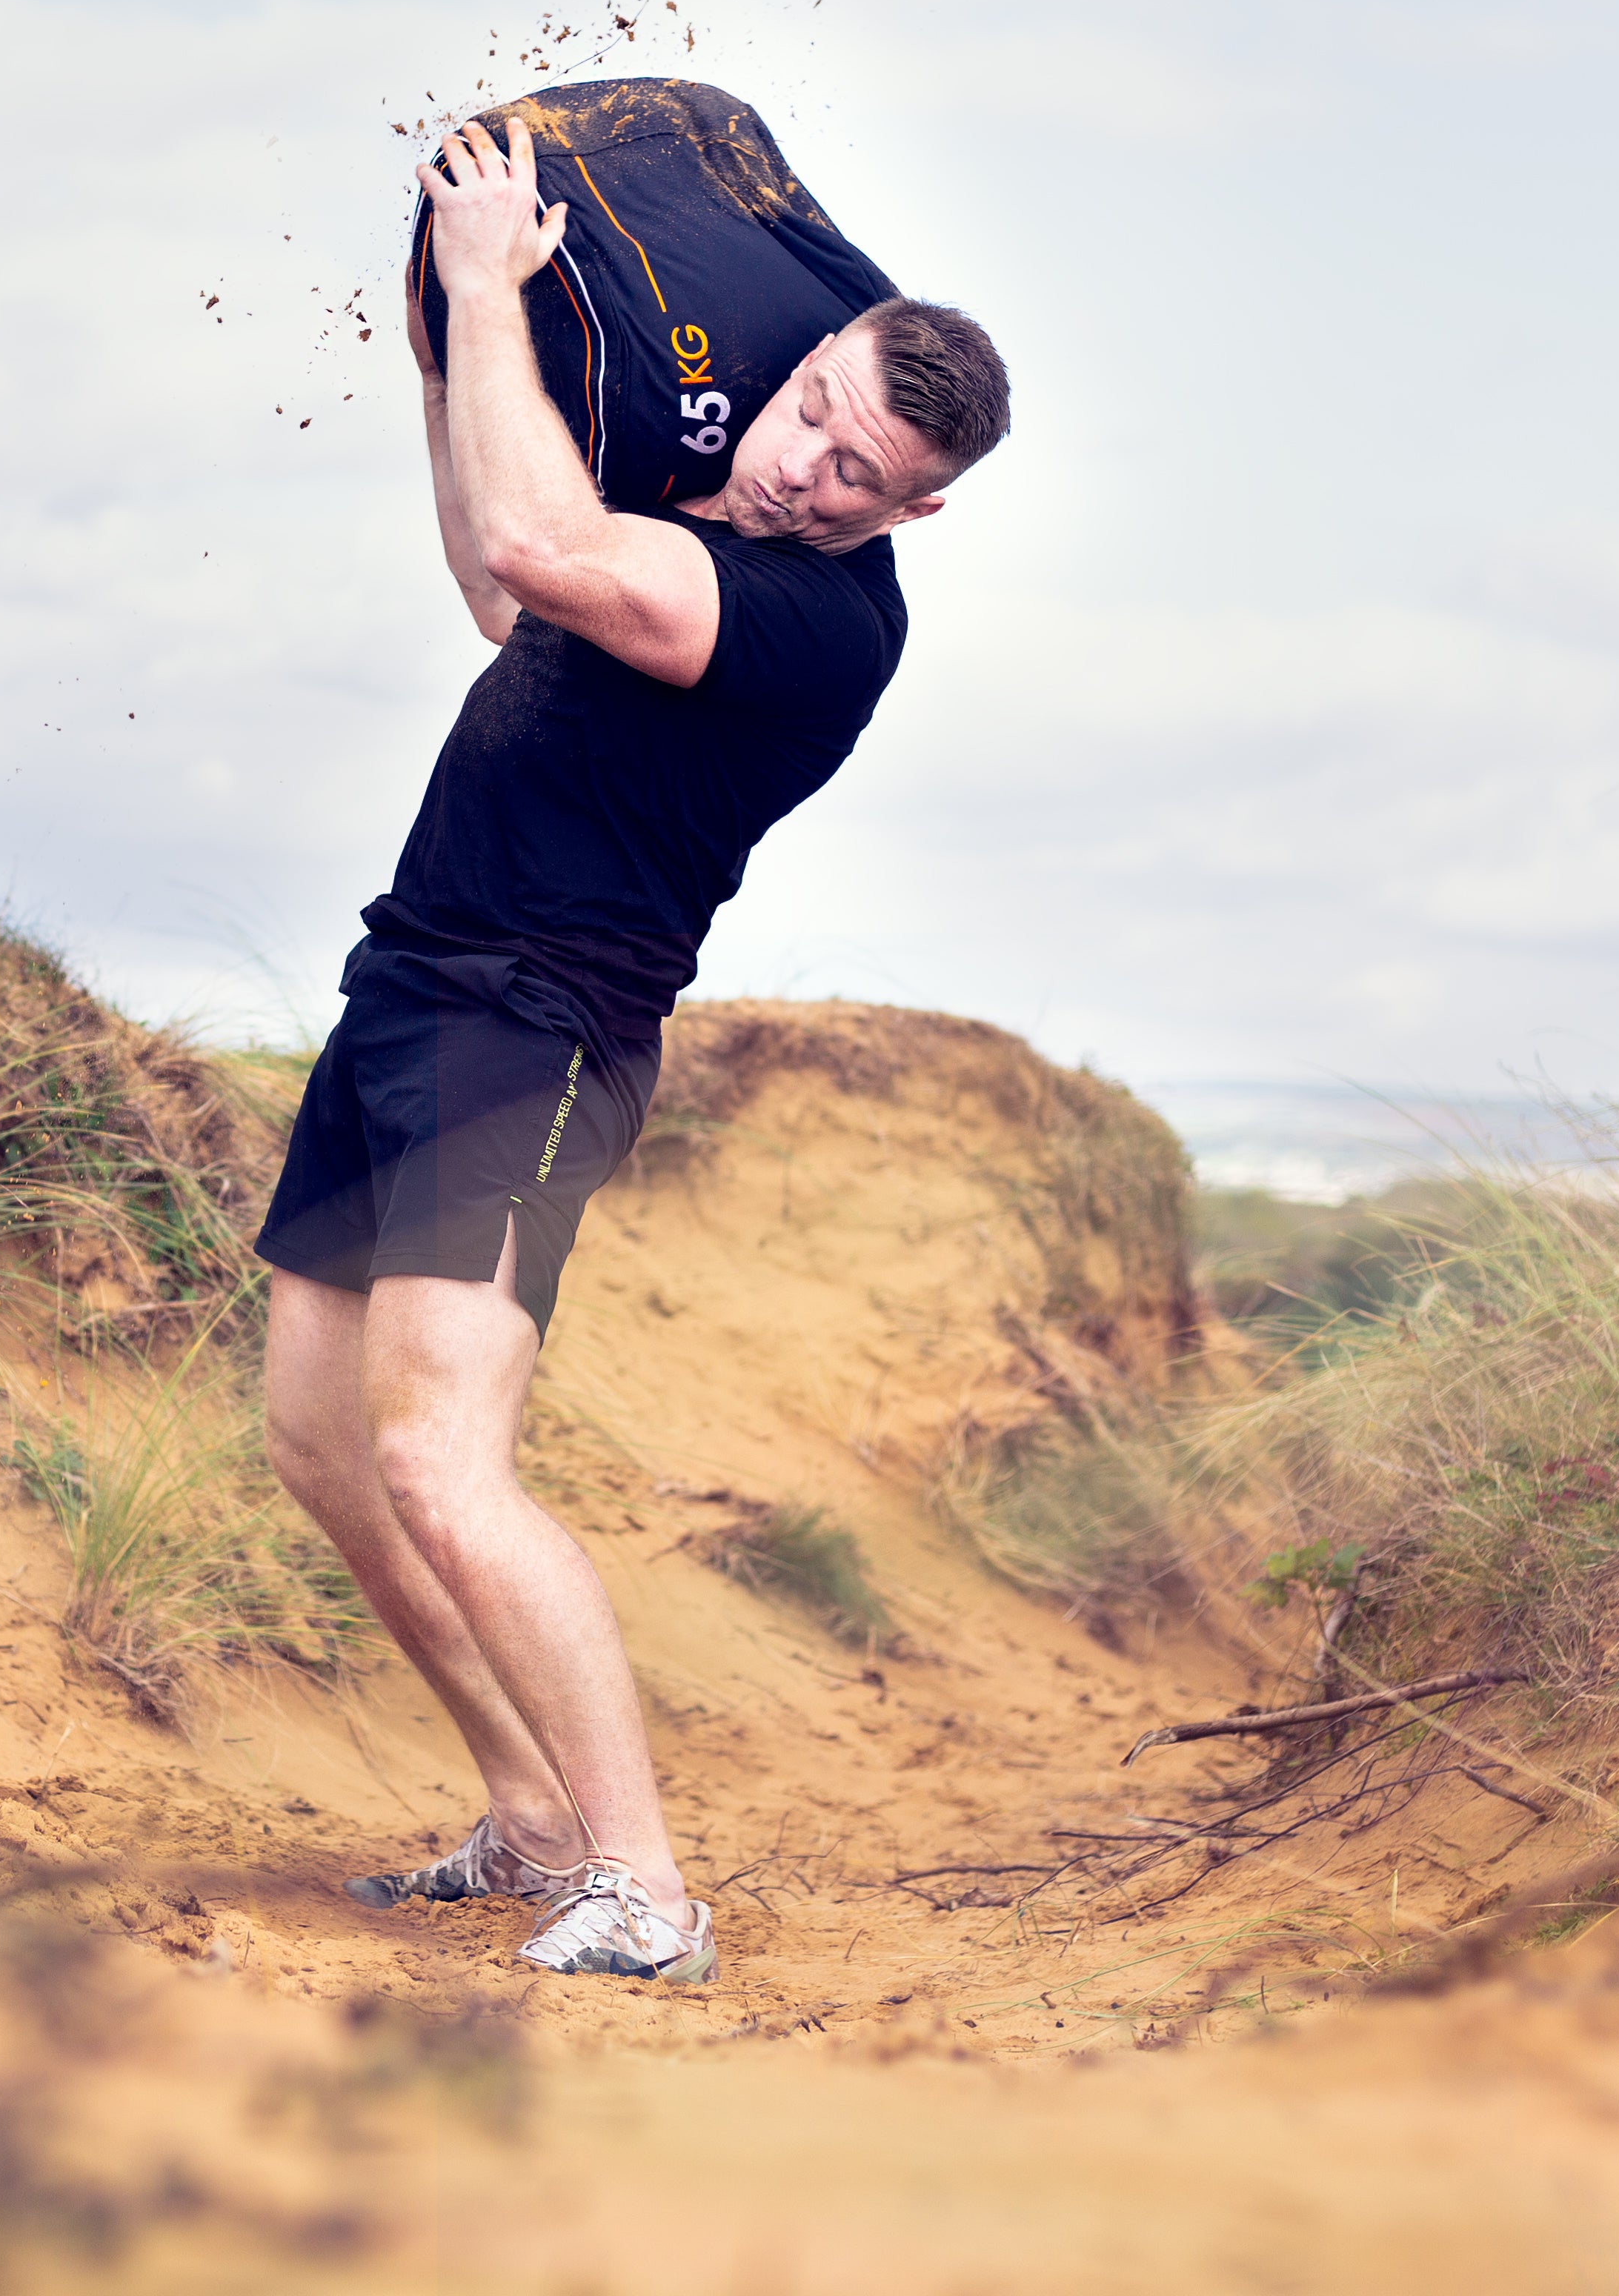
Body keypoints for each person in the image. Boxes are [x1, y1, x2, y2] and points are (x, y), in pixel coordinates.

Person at [256, 108, 1012, 1983]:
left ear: (914, 512)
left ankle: (646, 1885)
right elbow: (499, 581)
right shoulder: (669, 528)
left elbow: (539, 531)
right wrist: (454, 349)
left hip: (536, 1029)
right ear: (802, 363)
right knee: (319, 1446)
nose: (809, 469)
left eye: (863, 473)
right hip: (413, 977)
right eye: (815, 411)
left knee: (440, 1454)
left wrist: (499, 281)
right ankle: (528, 1815)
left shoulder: (805, 616)